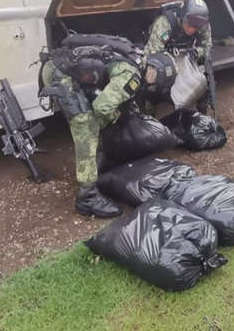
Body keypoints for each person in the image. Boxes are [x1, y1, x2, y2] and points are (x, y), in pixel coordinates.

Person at [39, 34, 174, 218]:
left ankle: (100, 159)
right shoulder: (132, 74)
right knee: (86, 125)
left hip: (68, 65)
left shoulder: (137, 57)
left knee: (107, 112)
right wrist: (116, 116)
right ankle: (87, 196)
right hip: (60, 73)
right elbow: (102, 107)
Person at [143, 0, 213, 111]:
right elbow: (151, 54)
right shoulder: (165, 23)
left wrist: (197, 52)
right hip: (163, 58)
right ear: (182, 16)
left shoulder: (202, 24)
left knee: (202, 81)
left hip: (187, 56)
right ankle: (149, 113)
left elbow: (207, 47)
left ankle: (202, 113)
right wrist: (169, 67)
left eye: (197, 26)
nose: (192, 29)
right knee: (152, 81)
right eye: (190, 23)